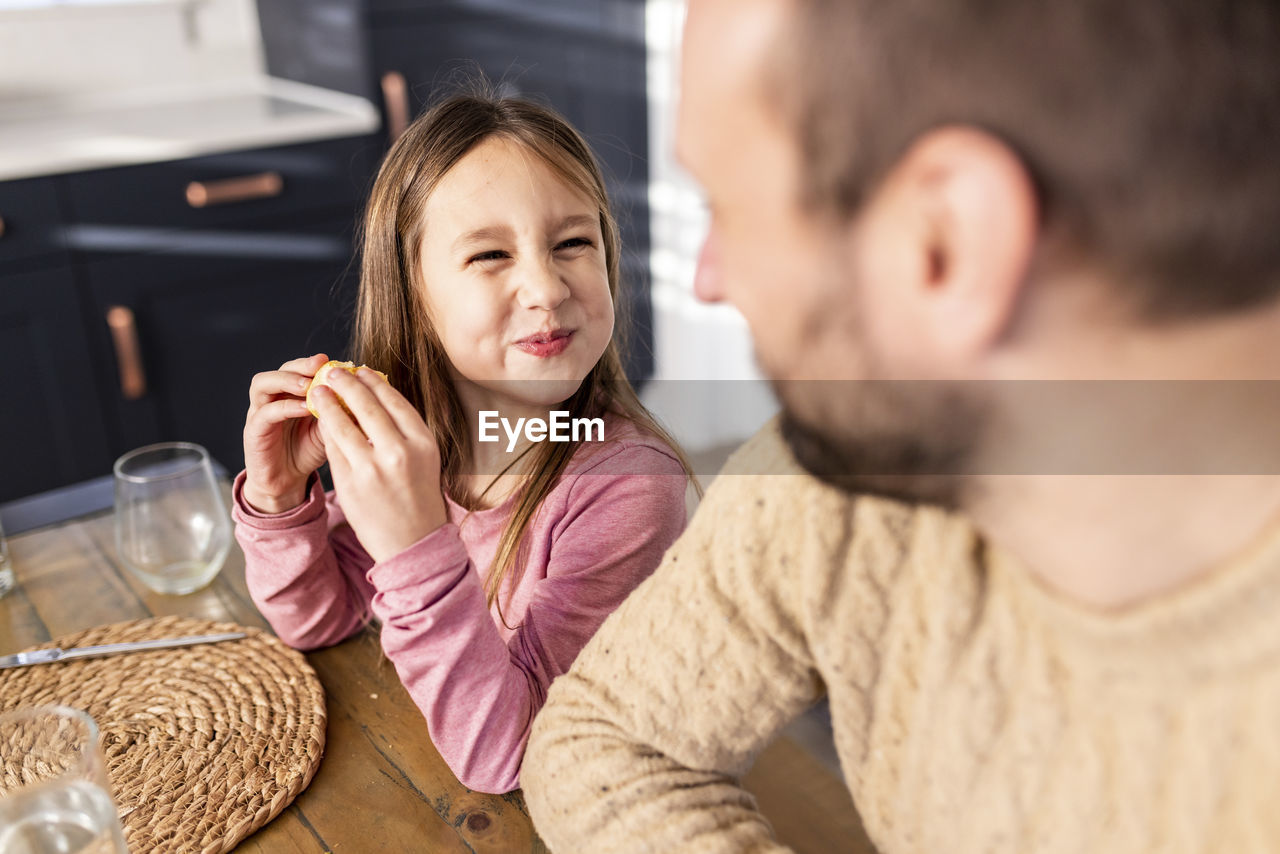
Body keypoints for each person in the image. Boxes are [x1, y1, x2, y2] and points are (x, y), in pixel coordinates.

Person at [523, 0, 1280, 850]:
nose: (707, 279)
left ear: (948, 244)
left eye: (727, 208)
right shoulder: (847, 464)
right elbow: (606, 736)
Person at [232, 91, 695, 795]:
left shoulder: (628, 486)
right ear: (414, 293)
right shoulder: (427, 444)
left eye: (574, 242)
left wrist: (415, 542)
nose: (546, 286)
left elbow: (512, 759)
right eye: (488, 254)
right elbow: (317, 621)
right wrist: (278, 498)